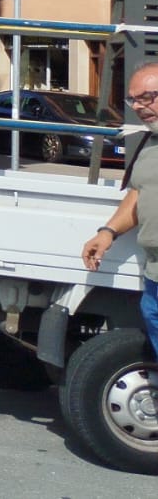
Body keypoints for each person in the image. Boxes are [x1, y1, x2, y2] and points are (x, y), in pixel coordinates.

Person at [81, 62, 158, 357]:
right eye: (132, 100)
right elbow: (139, 193)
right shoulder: (149, 146)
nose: (137, 107)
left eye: (146, 98)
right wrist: (108, 232)